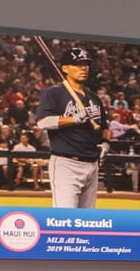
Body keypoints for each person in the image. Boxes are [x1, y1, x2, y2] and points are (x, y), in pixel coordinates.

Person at [33, 47, 110, 209]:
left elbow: (104, 126)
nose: (84, 68)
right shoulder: (54, 93)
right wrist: (74, 119)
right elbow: (43, 122)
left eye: (86, 64)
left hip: (92, 164)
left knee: (87, 219)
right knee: (66, 216)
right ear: (65, 68)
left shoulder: (94, 98)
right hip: (66, 163)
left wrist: (105, 142)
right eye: (78, 64)